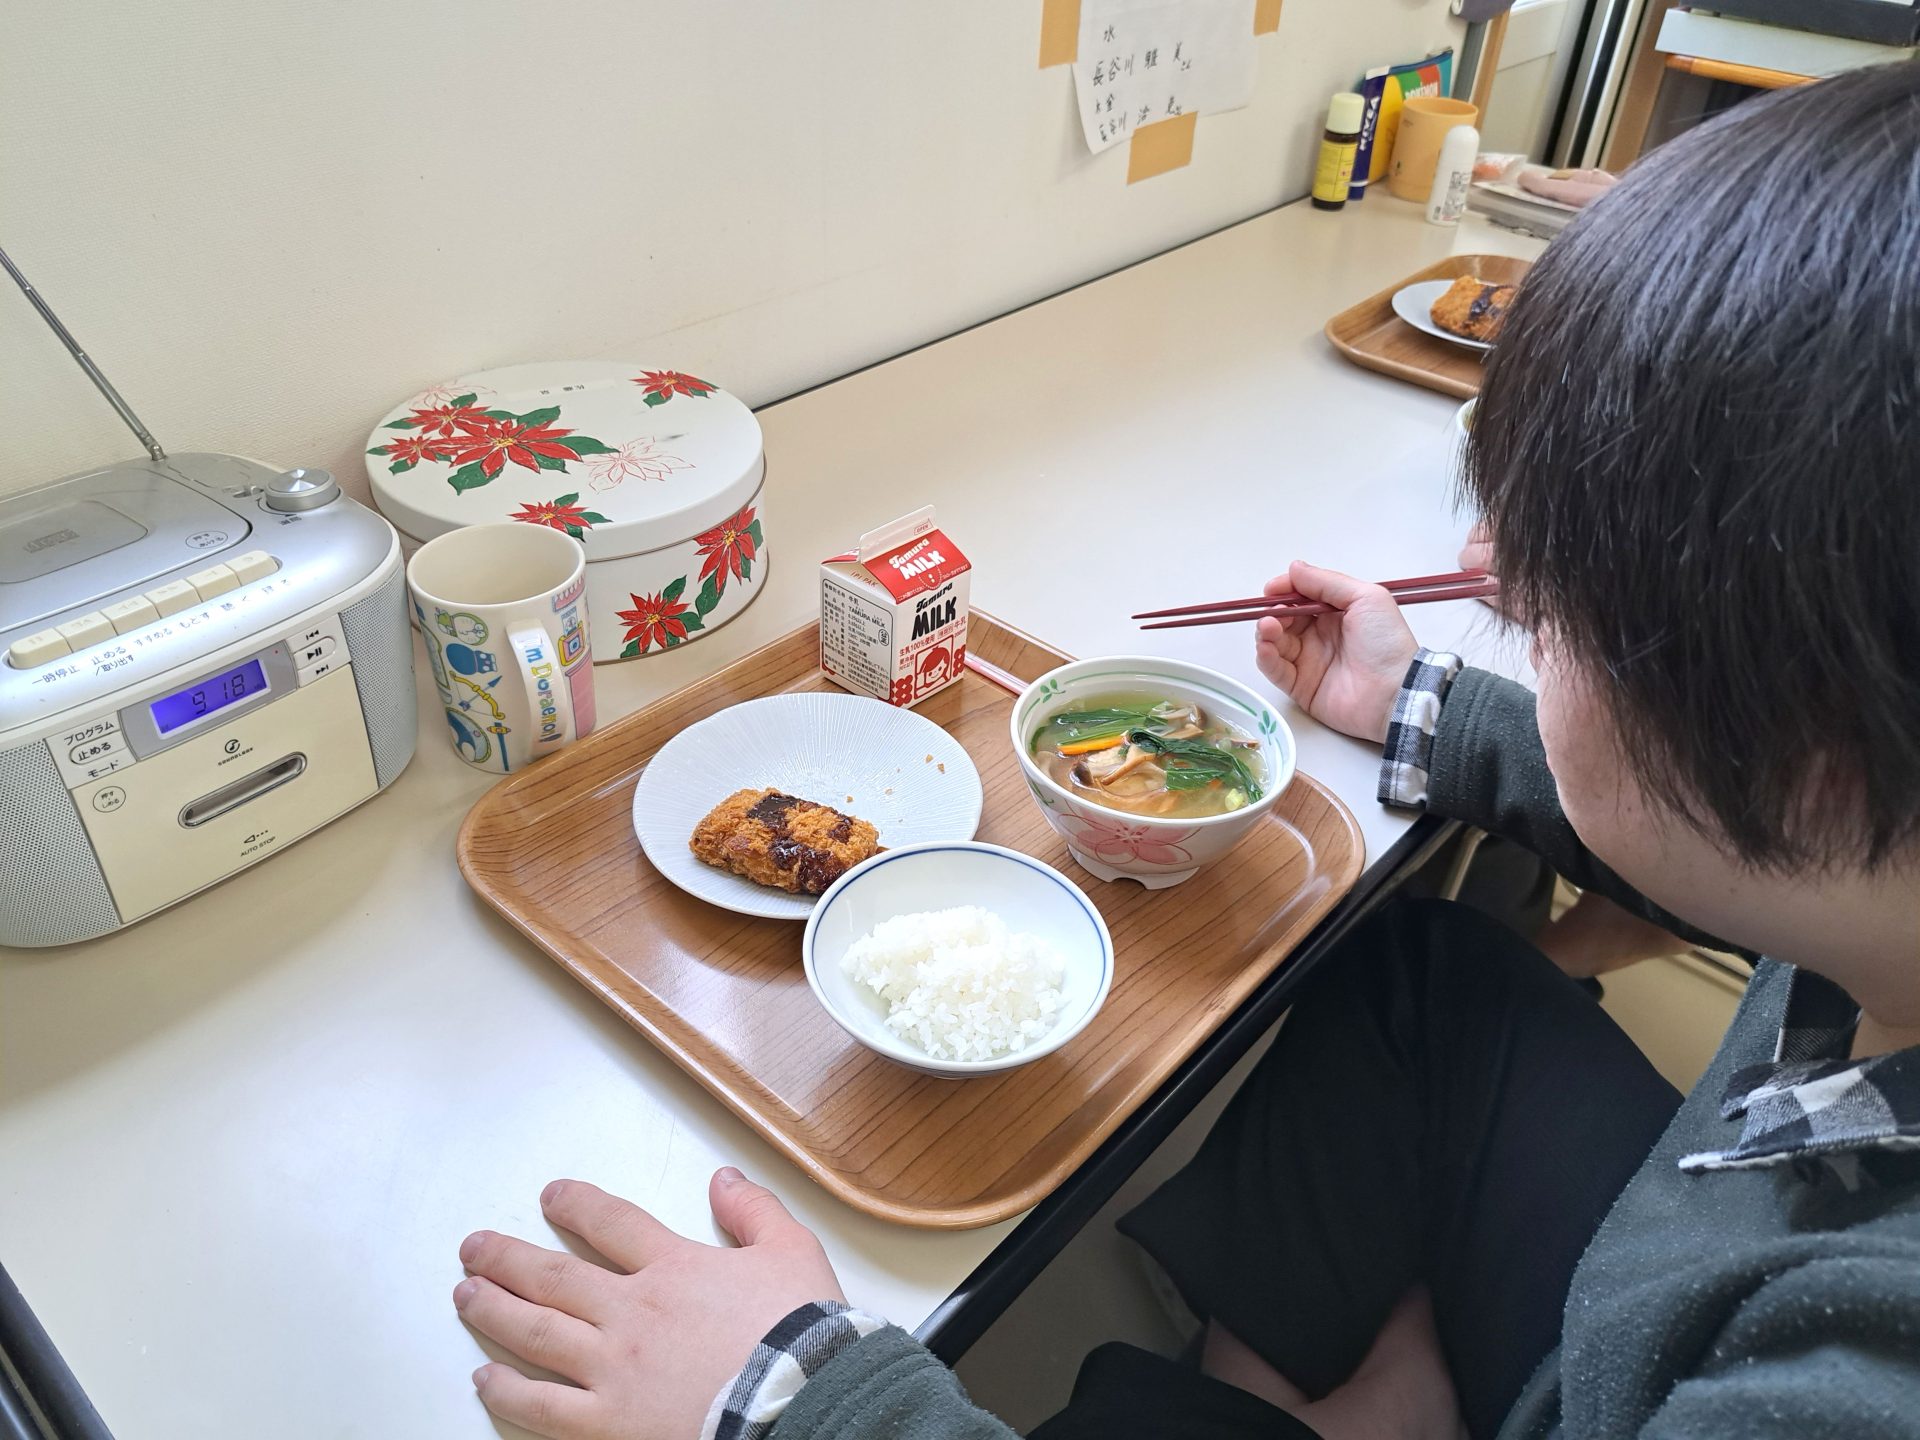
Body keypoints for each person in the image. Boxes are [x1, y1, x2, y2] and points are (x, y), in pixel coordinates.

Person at [448, 64, 1920, 1440]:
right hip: (1669, 1243)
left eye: (1558, 618)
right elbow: (1716, 822)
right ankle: (1300, 1391)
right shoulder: (1874, 883)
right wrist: (1416, 707)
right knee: (1413, 971)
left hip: (1645, 1362)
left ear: (1815, 750)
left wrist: (801, 1402)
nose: (1498, 584)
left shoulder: (1846, 1378)